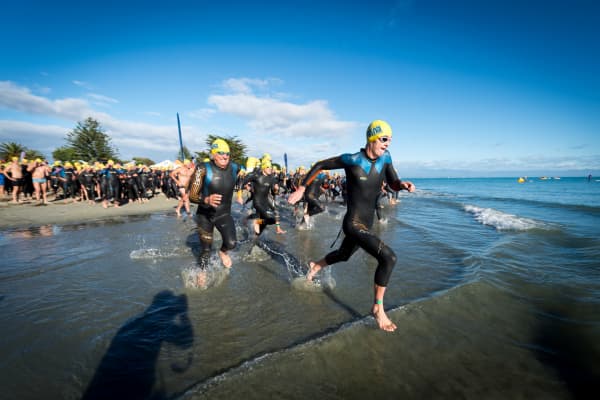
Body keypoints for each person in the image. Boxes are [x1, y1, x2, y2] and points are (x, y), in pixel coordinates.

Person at [288, 120, 415, 332]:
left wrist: (401, 185)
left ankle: (315, 266)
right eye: (384, 139)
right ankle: (378, 308)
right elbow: (320, 165)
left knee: (344, 255)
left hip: (367, 223)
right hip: (353, 223)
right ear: (372, 138)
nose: (387, 144)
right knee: (389, 257)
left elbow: (393, 181)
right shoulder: (352, 160)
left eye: (390, 140)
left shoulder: (386, 158)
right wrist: (302, 188)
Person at [188, 139, 242, 273]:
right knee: (206, 250)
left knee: (231, 243)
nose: (225, 156)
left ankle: (223, 252)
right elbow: (192, 195)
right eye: (221, 153)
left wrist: (240, 192)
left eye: (228, 154)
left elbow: (241, 176)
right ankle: (202, 273)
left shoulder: (235, 167)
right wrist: (206, 199)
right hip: (205, 215)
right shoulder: (203, 168)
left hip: (223, 214)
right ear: (213, 154)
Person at [244, 158, 286, 236]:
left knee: (275, 213)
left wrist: (276, 189)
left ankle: (277, 228)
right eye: (268, 167)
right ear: (263, 167)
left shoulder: (271, 178)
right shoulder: (257, 175)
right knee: (266, 218)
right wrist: (247, 187)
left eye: (271, 167)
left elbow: (274, 191)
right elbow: (244, 181)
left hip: (266, 199)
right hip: (257, 201)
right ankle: (254, 230)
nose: (270, 169)